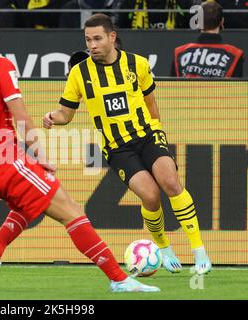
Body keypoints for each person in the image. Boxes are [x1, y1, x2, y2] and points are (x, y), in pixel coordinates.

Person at [0, 7, 160, 292]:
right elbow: (21, 117)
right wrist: (41, 156)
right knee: (72, 211)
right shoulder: (0, 67)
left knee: (28, 204)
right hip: (7, 161)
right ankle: (118, 279)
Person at [43, 13, 212, 275]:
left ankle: (199, 249)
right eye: (88, 40)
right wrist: (52, 117)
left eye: (97, 39)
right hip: (118, 148)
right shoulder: (79, 73)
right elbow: (66, 114)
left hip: (147, 135)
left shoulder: (138, 64)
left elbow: (151, 105)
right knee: (151, 196)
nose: (92, 45)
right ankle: (163, 247)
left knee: (169, 181)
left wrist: (156, 133)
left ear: (112, 37)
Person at [172, 1, 244, 78]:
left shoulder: (179, 52)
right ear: (222, 21)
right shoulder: (235, 54)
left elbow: (171, 87)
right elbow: (236, 89)